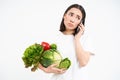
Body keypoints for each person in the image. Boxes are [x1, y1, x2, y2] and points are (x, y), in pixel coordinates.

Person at [38, 4, 94, 80]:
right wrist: (46, 70)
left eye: (78, 18)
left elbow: (83, 62)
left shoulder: (85, 38)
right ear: (64, 15)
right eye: (71, 15)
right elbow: (36, 60)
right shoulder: (54, 37)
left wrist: (77, 39)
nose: (72, 20)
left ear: (80, 22)